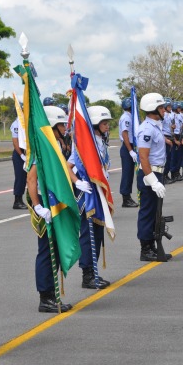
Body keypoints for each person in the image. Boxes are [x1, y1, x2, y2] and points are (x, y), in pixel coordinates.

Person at [26, 104, 74, 312]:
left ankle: (51, 295)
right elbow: (31, 178)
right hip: (45, 206)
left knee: (53, 247)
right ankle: (45, 297)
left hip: (55, 205)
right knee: (46, 251)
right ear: (52, 126)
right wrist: (37, 206)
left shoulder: (55, 145)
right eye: (61, 124)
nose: (65, 128)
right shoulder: (42, 148)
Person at [67, 105, 112, 289]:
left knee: (99, 233)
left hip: (99, 191)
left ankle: (94, 272)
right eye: (104, 122)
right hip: (87, 192)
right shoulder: (86, 142)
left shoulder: (100, 140)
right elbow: (68, 166)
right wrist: (78, 182)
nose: (108, 125)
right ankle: (87, 275)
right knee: (88, 233)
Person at [136, 93, 171, 262]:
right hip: (149, 173)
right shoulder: (147, 129)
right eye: (161, 107)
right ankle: (146, 248)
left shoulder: (155, 126)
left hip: (156, 172)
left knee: (155, 212)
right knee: (148, 211)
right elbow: (143, 157)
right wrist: (153, 180)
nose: (164, 110)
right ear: (153, 109)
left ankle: (152, 245)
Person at [118, 98, 138, 207]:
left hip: (130, 147)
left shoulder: (130, 116)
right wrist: (130, 150)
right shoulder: (126, 117)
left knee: (130, 173)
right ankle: (126, 198)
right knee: (127, 173)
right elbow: (125, 133)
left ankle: (128, 197)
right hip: (127, 147)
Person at [10, 116, 27, 209]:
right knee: (20, 177)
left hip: (27, 152)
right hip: (19, 153)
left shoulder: (26, 122)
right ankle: (17, 201)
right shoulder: (16, 124)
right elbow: (15, 141)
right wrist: (21, 155)